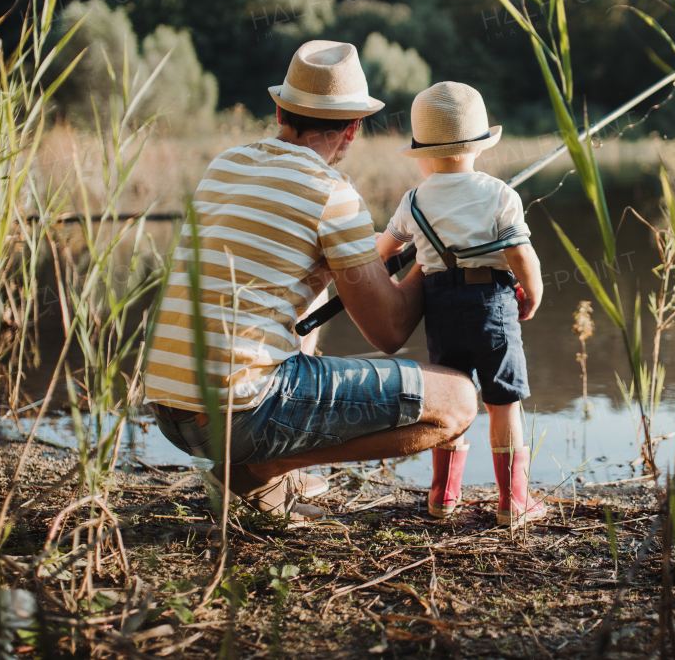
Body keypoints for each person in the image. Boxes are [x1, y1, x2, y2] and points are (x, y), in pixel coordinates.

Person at [141, 41, 477, 521]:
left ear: (280, 110)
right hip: (240, 414)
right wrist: (431, 248)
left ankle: (262, 467)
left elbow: (269, 268)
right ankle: (258, 471)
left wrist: (349, 257)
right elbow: (389, 331)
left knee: (304, 293)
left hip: (170, 408)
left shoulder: (225, 165)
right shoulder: (331, 193)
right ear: (354, 128)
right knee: (458, 401)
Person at [377, 82, 548, 526]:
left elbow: (384, 253)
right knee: (503, 402)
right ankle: (513, 503)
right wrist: (534, 292)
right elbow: (520, 255)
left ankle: (442, 496)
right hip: (492, 303)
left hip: (441, 307)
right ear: (479, 145)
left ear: (423, 154)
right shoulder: (499, 194)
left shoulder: (413, 201)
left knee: (452, 398)